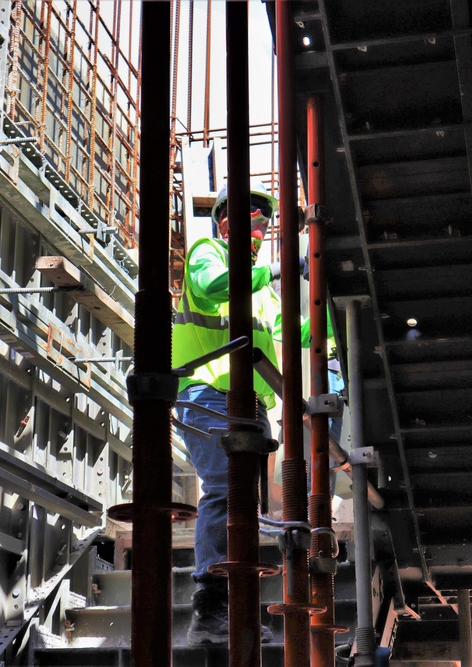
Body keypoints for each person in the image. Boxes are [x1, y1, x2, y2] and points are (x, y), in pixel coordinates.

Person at [173, 183, 283, 645]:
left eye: (265, 224)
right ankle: (210, 604)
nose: (261, 231)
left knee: (243, 504)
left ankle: (233, 601)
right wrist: (275, 270)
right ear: (226, 225)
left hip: (249, 405)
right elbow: (213, 284)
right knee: (222, 490)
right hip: (210, 394)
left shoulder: (263, 291)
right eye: (253, 222)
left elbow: (293, 331)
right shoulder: (207, 252)